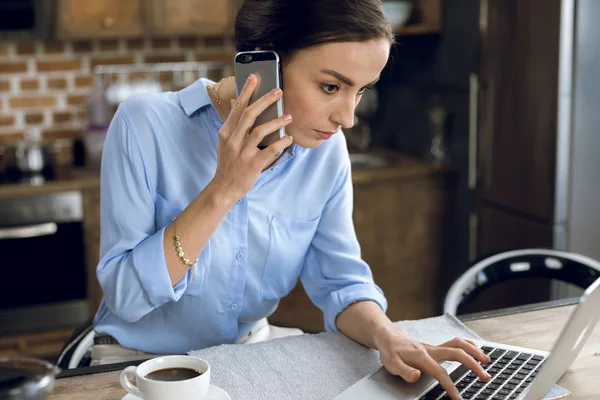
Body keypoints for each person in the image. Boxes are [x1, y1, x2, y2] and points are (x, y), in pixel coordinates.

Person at [91, 0, 490, 397]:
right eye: (331, 87)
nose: (347, 118)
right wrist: (223, 190)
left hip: (247, 359)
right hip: (141, 366)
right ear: (261, 68)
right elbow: (126, 298)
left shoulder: (325, 152)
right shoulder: (144, 125)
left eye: (361, 90)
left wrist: (388, 336)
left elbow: (341, 284)